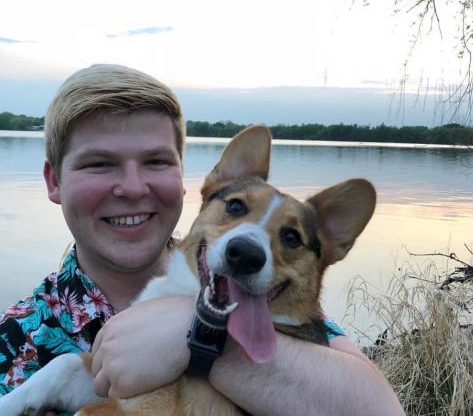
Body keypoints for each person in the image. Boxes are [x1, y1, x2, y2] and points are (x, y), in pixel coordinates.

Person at [0, 64, 404, 415]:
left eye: (156, 161)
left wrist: (197, 336)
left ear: (184, 176)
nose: (132, 187)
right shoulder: (16, 339)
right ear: (54, 181)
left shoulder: (268, 306)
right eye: (99, 164)